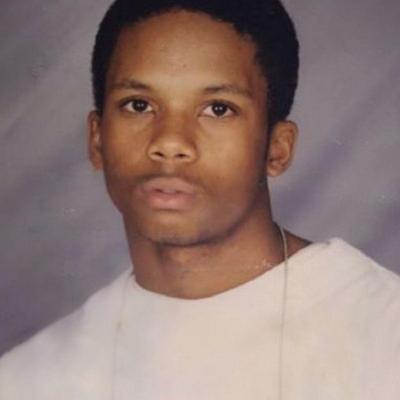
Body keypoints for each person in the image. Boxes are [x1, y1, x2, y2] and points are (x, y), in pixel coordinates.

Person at [1, 0, 399, 398]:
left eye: (218, 109)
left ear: (277, 149)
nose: (170, 142)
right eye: (139, 105)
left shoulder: (383, 334)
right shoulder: (27, 380)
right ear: (97, 138)